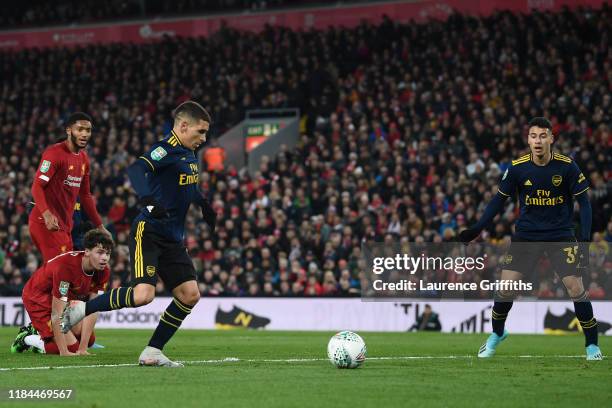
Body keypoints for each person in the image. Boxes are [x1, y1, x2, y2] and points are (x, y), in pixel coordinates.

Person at [61, 101, 217, 367]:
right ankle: (82, 309)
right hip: (149, 231)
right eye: (200, 132)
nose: (203, 138)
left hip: (173, 238)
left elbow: (186, 186)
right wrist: (148, 201)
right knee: (144, 295)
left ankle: (153, 351)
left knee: (190, 295)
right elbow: (136, 170)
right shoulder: (164, 149)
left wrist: (202, 203)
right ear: (183, 125)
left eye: (205, 133)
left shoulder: (189, 154)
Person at [459, 117, 602, 361]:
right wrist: (477, 228)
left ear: (551, 139)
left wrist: (584, 240)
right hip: (527, 236)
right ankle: (497, 334)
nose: (537, 141)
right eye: (533, 136)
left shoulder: (567, 167)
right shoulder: (517, 168)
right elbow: (497, 201)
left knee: (576, 288)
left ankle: (592, 345)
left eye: (543, 136)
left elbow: (585, 204)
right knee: (505, 289)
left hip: (560, 236)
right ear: (528, 139)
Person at [11, 229, 113, 355]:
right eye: (100, 252)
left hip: (61, 298)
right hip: (38, 297)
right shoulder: (66, 268)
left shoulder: (103, 272)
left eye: (107, 254)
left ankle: (40, 330)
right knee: (70, 348)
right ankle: (26, 338)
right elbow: (56, 313)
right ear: (87, 251)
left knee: (90, 340)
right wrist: (64, 351)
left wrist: (83, 348)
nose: (104, 258)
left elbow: (94, 308)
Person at [29, 112, 110, 262]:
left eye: (88, 130)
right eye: (79, 129)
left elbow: (85, 195)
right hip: (45, 223)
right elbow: (37, 186)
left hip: (65, 227)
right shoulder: (54, 153)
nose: (84, 134)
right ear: (68, 130)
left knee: (57, 274)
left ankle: (32, 287)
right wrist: (47, 214)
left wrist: (99, 225)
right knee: (62, 271)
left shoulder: (84, 159)